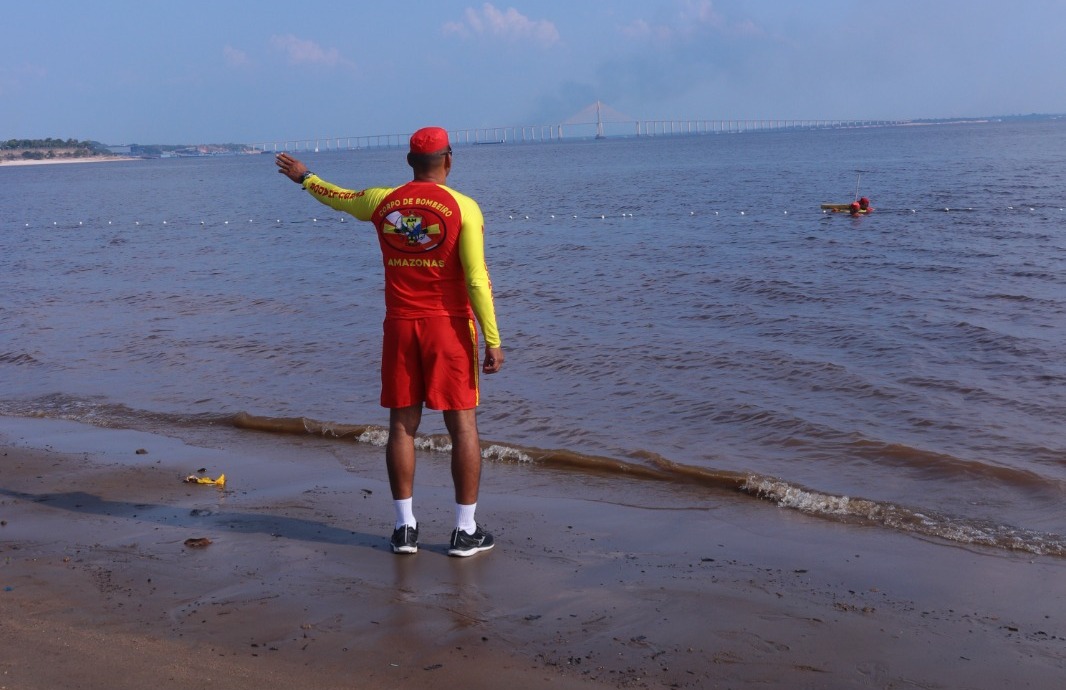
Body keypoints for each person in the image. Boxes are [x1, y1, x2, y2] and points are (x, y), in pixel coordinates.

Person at [275, 127, 504, 557]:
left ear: (408, 163)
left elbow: (337, 196)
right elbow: (476, 278)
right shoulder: (464, 207)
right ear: (448, 161)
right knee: (463, 426)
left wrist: (305, 177)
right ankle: (464, 531)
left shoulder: (384, 201)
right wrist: (493, 339)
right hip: (448, 328)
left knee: (401, 426)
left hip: (400, 326)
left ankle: (404, 529)